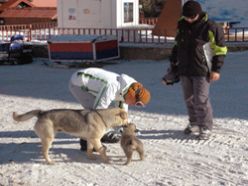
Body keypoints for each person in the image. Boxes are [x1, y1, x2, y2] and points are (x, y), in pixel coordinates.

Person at [163, 0, 227, 140]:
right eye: (186, 16)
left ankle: (205, 126)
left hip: (202, 69)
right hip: (185, 68)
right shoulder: (182, 24)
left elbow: (220, 49)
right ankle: (194, 123)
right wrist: (174, 63)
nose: (189, 19)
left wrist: (216, 69)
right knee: (189, 99)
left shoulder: (210, 27)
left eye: (191, 17)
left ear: (198, 14)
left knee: (201, 99)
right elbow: (177, 45)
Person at [69, 67, 151, 150]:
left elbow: (122, 112)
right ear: (133, 96)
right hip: (78, 83)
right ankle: (87, 144)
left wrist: (128, 127)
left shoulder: (126, 90)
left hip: (92, 84)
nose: (135, 105)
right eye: (137, 103)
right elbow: (99, 110)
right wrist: (106, 131)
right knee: (94, 113)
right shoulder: (112, 86)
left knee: (102, 112)